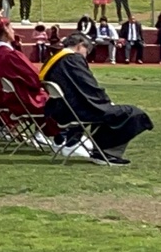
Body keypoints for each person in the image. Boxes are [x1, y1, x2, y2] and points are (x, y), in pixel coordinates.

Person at [41, 31, 153, 164]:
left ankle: (95, 149)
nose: (85, 56)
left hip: (60, 110)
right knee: (133, 113)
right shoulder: (72, 59)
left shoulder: (54, 59)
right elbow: (88, 85)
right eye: (86, 52)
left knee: (114, 113)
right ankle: (105, 153)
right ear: (80, 45)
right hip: (77, 111)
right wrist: (105, 102)